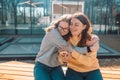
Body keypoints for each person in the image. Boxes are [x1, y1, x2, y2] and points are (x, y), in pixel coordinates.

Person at [59, 12, 103, 80]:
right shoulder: (66, 38)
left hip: (92, 70)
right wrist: (64, 59)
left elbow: (88, 62)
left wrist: (72, 52)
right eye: (71, 24)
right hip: (73, 71)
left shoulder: (91, 39)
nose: (72, 27)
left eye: (76, 25)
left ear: (84, 26)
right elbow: (61, 57)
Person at [34, 14, 72, 80]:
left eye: (66, 29)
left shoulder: (67, 37)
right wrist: (87, 49)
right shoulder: (53, 32)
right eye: (60, 27)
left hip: (56, 66)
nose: (62, 30)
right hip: (42, 65)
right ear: (57, 25)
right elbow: (68, 47)